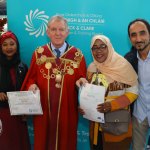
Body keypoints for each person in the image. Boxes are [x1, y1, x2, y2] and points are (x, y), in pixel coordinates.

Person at [21, 15, 87, 150]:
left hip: (67, 111)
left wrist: (81, 82)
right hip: (44, 110)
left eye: (61, 29)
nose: (58, 33)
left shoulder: (77, 55)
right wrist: (31, 85)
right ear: (47, 32)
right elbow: (31, 78)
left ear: (67, 32)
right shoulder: (39, 54)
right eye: (54, 29)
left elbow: (82, 80)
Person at [76, 34, 138, 150]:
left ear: (109, 47)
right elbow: (89, 93)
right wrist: (84, 106)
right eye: (95, 48)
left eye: (102, 46)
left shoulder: (123, 65)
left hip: (117, 126)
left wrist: (112, 105)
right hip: (95, 126)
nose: (98, 51)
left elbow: (133, 92)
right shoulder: (92, 67)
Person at [0, 31, 31, 150]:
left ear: (16, 45)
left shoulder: (22, 66)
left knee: (19, 143)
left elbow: (26, 90)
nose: (9, 48)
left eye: (12, 44)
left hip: (19, 113)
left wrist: (26, 111)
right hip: (2, 113)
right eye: (4, 44)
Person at [124, 18, 150, 150]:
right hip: (139, 115)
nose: (138, 39)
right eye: (133, 35)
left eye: (142, 33)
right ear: (130, 39)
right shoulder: (128, 59)